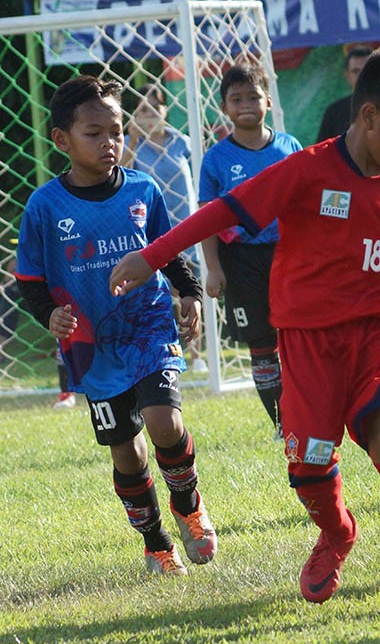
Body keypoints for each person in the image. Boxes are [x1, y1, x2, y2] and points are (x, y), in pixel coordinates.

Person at [110, 39, 380, 612]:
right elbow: (223, 211)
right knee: (310, 467)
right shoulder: (306, 170)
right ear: (369, 116)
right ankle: (337, 532)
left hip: (379, 337)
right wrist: (153, 256)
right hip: (309, 345)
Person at [15, 75, 216, 576]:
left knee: (164, 421)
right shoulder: (44, 206)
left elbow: (166, 250)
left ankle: (189, 507)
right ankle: (156, 543)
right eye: (95, 133)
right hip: (91, 345)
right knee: (127, 452)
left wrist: (188, 292)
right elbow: (29, 279)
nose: (111, 142)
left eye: (117, 130)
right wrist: (48, 314)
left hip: (147, 328)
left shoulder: (144, 189)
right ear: (63, 139)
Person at [199, 62, 303, 440]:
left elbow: (307, 201)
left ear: (268, 102)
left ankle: (307, 410)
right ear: (225, 107)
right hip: (240, 260)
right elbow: (206, 219)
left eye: (253, 96)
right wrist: (212, 268)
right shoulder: (216, 159)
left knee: (298, 335)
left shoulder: (289, 146)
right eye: (236, 98)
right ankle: (280, 422)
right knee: (260, 341)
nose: (246, 104)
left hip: (289, 255)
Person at [127, 84, 208, 373]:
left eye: (154, 108)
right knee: (160, 291)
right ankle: (164, 351)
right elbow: (119, 173)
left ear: (165, 110)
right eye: (142, 109)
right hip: (151, 230)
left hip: (185, 224)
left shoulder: (181, 142)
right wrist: (134, 141)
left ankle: (197, 353)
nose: (148, 114)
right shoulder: (130, 143)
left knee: (189, 286)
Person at [316, 45, 373, 142]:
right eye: (355, 71)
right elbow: (322, 151)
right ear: (347, 75)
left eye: (366, 71)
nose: (361, 76)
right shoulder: (334, 112)